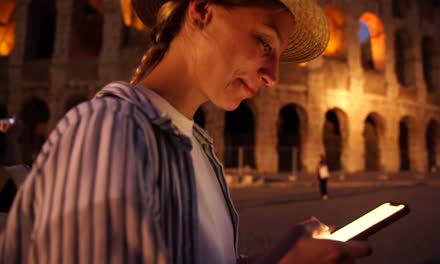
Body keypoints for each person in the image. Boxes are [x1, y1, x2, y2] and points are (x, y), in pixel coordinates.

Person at [0, 0, 372, 263]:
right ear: (202, 11)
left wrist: (277, 256)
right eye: (264, 42)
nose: (273, 75)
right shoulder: (112, 129)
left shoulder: (195, 147)